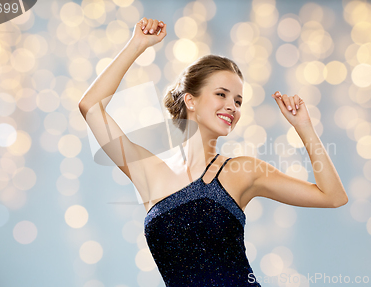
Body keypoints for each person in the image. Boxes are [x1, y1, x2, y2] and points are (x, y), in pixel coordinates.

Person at [79, 17, 348, 287]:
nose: (232, 106)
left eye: (238, 101)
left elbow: (332, 196)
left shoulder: (242, 172)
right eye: (222, 94)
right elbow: (90, 106)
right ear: (190, 100)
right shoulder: (148, 172)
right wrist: (137, 44)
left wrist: (304, 128)